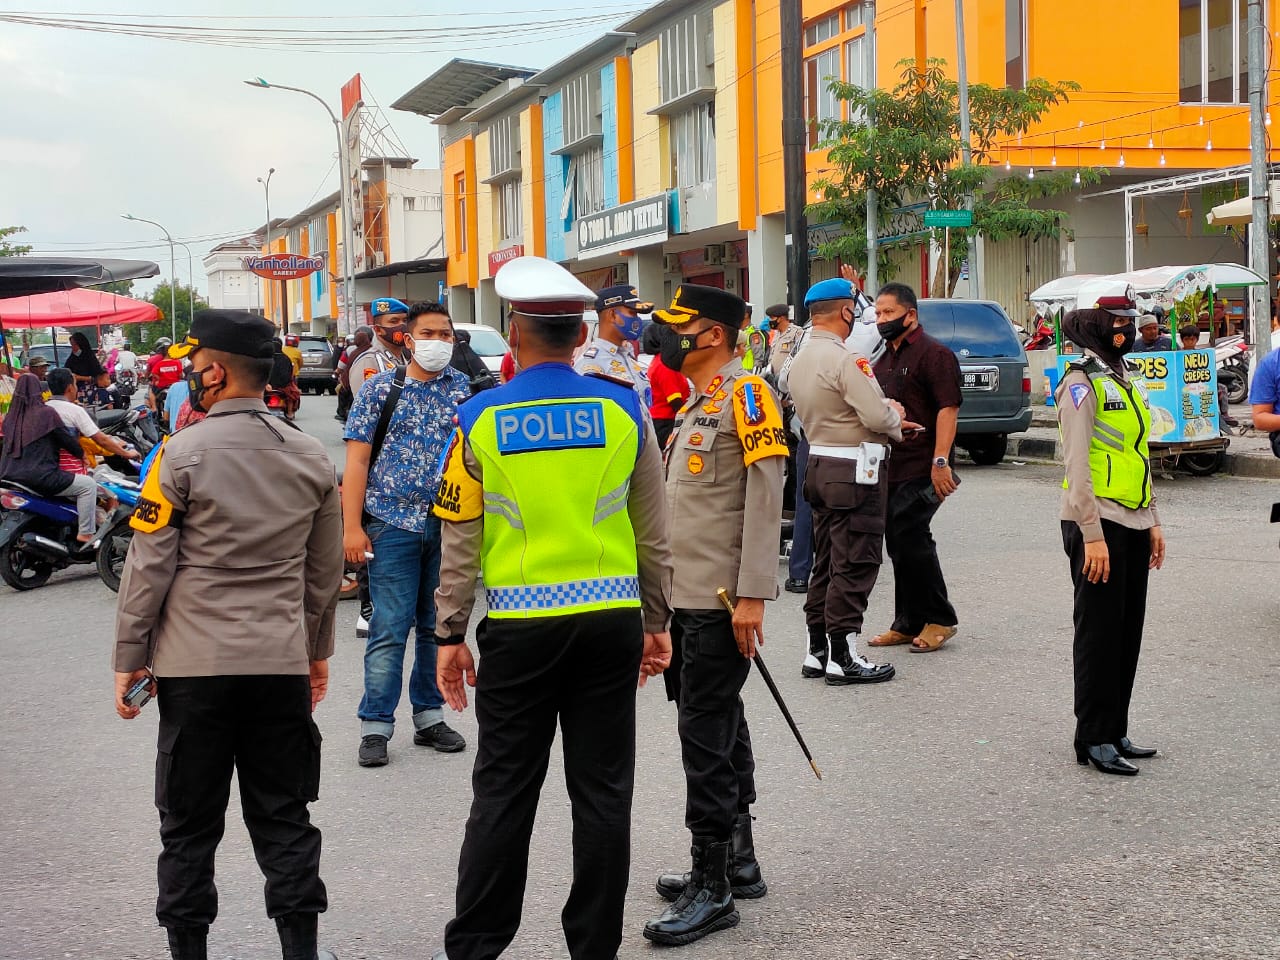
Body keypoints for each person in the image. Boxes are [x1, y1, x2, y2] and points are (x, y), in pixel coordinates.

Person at [428, 256, 673, 960]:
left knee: (504, 790)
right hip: (610, 623)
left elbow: (461, 536)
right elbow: (654, 532)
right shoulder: (625, 407)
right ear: (578, 335)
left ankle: (476, 946)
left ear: (516, 331)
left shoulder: (475, 417)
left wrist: (449, 632)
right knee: (602, 794)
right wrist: (657, 623)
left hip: (520, 629)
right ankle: (593, 948)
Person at [112, 309, 344, 960]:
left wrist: (130, 657)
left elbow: (149, 564)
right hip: (279, 666)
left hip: (193, 671)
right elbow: (322, 574)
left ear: (215, 372)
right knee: (284, 819)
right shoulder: (307, 455)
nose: (190, 374)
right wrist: (316, 654)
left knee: (187, 827)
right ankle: (301, 950)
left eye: (195, 365)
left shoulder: (179, 453)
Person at [642, 284, 784, 947]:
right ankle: (739, 857)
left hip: (720, 600)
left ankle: (714, 885)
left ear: (717, 336)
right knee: (719, 723)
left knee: (704, 736)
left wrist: (754, 590)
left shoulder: (748, 394)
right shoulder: (703, 398)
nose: (672, 337)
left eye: (683, 326)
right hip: (687, 599)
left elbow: (766, 489)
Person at [342, 301, 471, 767]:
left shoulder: (465, 390)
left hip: (448, 526)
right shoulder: (379, 390)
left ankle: (429, 716)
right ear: (408, 339)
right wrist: (352, 528)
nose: (439, 342)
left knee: (436, 627)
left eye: (447, 334)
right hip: (391, 523)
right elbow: (356, 461)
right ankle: (375, 725)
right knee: (389, 628)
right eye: (430, 333)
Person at [1055, 283, 1165, 777]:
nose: (1127, 330)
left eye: (1129, 322)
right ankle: (1093, 737)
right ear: (1097, 326)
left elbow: (1137, 454)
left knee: (1127, 632)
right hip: (1097, 523)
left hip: (1132, 520)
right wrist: (1092, 534)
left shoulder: (1120, 378)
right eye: (1118, 323)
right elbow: (1077, 466)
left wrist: (1153, 520)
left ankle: (1116, 727)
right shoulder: (1079, 384)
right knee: (1098, 634)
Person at [787, 278, 905, 684]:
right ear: (846, 312)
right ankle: (843, 655)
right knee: (855, 560)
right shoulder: (845, 359)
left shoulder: (798, 358)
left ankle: (816, 650)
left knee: (827, 562)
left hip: (819, 462)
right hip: (855, 468)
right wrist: (896, 418)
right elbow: (875, 415)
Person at [867, 281, 965, 654]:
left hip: (925, 464)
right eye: (877, 313)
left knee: (910, 533)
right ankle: (907, 621)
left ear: (911, 314)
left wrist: (940, 462)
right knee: (897, 538)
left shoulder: (934, 354)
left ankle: (940, 618)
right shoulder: (883, 358)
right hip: (891, 463)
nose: (881, 320)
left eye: (889, 313)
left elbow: (948, 409)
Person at [0, 373, 102, 544]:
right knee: (88, 485)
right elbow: (66, 438)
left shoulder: (10, 418)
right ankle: (86, 533)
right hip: (40, 476)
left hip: (9, 476)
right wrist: (81, 454)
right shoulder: (47, 413)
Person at [574, 284, 654, 406]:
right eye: (632, 313)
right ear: (612, 314)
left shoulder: (628, 357)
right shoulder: (591, 365)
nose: (637, 320)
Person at [44, 367, 141, 467]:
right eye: (75, 384)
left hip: (48, 465)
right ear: (70, 388)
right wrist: (127, 454)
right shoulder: (74, 410)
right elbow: (101, 440)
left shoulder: (43, 408)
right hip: (71, 468)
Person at [642, 323, 690, 448]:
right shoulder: (665, 364)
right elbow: (675, 401)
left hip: (661, 420)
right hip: (666, 422)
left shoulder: (659, 360)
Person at [350, 298, 410, 394]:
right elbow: (365, 405)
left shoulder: (404, 358)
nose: (402, 326)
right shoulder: (369, 361)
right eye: (394, 321)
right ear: (378, 329)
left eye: (405, 320)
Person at [335, 327, 372, 422]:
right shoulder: (374, 350)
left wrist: (337, 373)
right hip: (371, 384)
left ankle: (341, 413)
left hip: (352, 382)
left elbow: (342, 366)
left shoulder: (351, 351)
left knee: (341, 390)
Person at [765, 304, 802, 381]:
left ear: (780, 318)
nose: (769, 320)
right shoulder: (776, 334)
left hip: (788, 380)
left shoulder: (796, 332)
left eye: (772, 318)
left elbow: (800, 357)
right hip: (773, 379)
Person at [268, 338, 302, 420]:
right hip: (282, 386)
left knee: (292, 394)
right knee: (292, 394)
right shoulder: (286, 358)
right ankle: (290, 412)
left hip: (268, 386)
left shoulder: (266, 358)